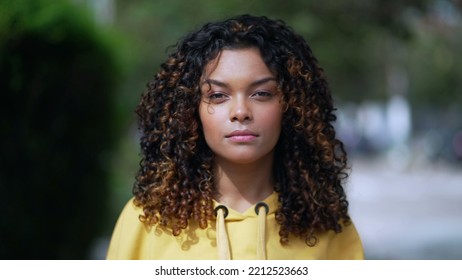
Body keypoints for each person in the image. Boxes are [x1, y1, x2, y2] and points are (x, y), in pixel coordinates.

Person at [106, 14, 364, 260]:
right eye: (218, 96)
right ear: (190, 111)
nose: (240, 112)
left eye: (261, 94)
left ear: (292, 106)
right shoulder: (146, 221)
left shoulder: (328, 227)